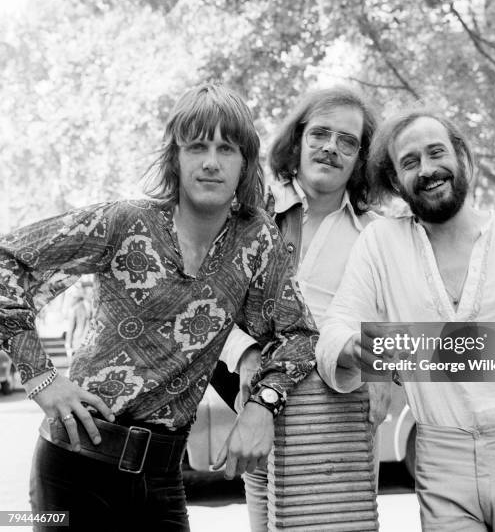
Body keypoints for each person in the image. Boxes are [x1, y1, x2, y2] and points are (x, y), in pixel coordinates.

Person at [0, 84, 317, 532]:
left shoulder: (257, 239)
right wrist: (41, 378)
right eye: (197, 147)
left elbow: (299, 334)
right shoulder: (125, 221)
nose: (211, 161)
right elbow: (6, 261)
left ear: (245, 162)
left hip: (163, 480)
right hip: (73, 464)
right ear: (176, 157)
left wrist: (262, 406)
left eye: (226, 148)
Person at [316, 109, 495, 531]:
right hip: (439, 457)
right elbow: (338, 325)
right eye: (410, 161)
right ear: (396, 180)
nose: (428, 169)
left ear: (461, 157)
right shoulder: (381, 243)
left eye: (436, 153)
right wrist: (350, 350)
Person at [219, 86, 390, 531]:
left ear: (361, 158)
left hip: (343, 421)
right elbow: (208, 301)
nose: (331, 147)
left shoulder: (379, 234)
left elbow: (397, 314)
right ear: (297, 140)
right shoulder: (248, 214)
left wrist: (391, 377)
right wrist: (245, 355)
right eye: (320, 133)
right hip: (261, 410)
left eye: (347, 141)